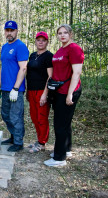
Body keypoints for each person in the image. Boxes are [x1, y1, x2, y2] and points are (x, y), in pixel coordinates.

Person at [44, 24, 84, 167]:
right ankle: (66, 149)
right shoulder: (61, 49)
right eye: (60, 33)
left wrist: (70, 94)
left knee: (60, 124)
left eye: (65, 33)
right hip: (59, 90)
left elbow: (77, 72)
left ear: (70, 34)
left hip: (68, 91)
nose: (62, 35)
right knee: (64, 122)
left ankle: (59, 158)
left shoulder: (74, 49)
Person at [0, 20, 29, 152]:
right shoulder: (4, 47)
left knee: (15, 116)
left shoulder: (20, 46)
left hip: (15, 90)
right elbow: (3, 68)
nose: (9, 33)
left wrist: (15, 88)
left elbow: (23, 68)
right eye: (7, 30)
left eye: (12, 30)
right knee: (5, 115)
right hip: (5, 88)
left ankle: (18, 142)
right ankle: (13, 136)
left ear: (16, 31)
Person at [26, 31, 53, 153]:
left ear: (47, 42)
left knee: (42, 117)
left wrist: (45, 94)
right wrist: (27, 90)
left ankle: (42, 143)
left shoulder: (48, 56)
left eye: (43, 40)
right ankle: (39, 139)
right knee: (34, 117)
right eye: (38, 40)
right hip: (31, 90)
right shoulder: (32, 55)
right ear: (35, 41)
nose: (40, 42)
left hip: (42, 91)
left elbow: (50, 76)